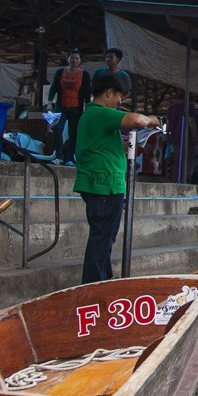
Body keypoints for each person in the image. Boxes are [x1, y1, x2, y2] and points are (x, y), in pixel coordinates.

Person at [75, 72, 160, 283]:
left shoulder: (94, 117)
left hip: (105, 185)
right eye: (119, 96)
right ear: (109, 93)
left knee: (105, 238)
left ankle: (102, 280)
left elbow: (112, 147)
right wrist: (151, 120)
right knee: (102, 239)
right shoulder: (99, 113)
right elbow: (136, 119)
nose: (120, 101)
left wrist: (135, 143)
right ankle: (93, 285)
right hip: (104, 186)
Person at [48, 49, 91, 165]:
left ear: (80, 60)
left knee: (73, 133)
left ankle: (70, 159)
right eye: (72, 58)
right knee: (57, 129)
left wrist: (88, 107)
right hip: (60, 106)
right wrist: (49, 102)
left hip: (76, 108)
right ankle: (59, 157)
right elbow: (54, 87)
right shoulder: (60, 72)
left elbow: (87, 92)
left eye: (77, 58)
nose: (74, 60)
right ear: (67, 59)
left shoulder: (84, 74)